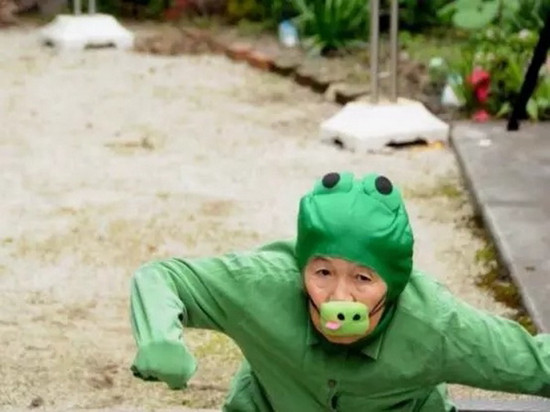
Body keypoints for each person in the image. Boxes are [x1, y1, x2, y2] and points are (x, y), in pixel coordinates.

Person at [129, 171, 550, 411]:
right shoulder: (261, 286)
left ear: (393, 285)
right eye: (323, 272)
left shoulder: (435, 325)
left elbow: (534, 363)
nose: (339, 298)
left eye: (363, 279)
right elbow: (163, 277)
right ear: (303, 267)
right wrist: (160, 335)